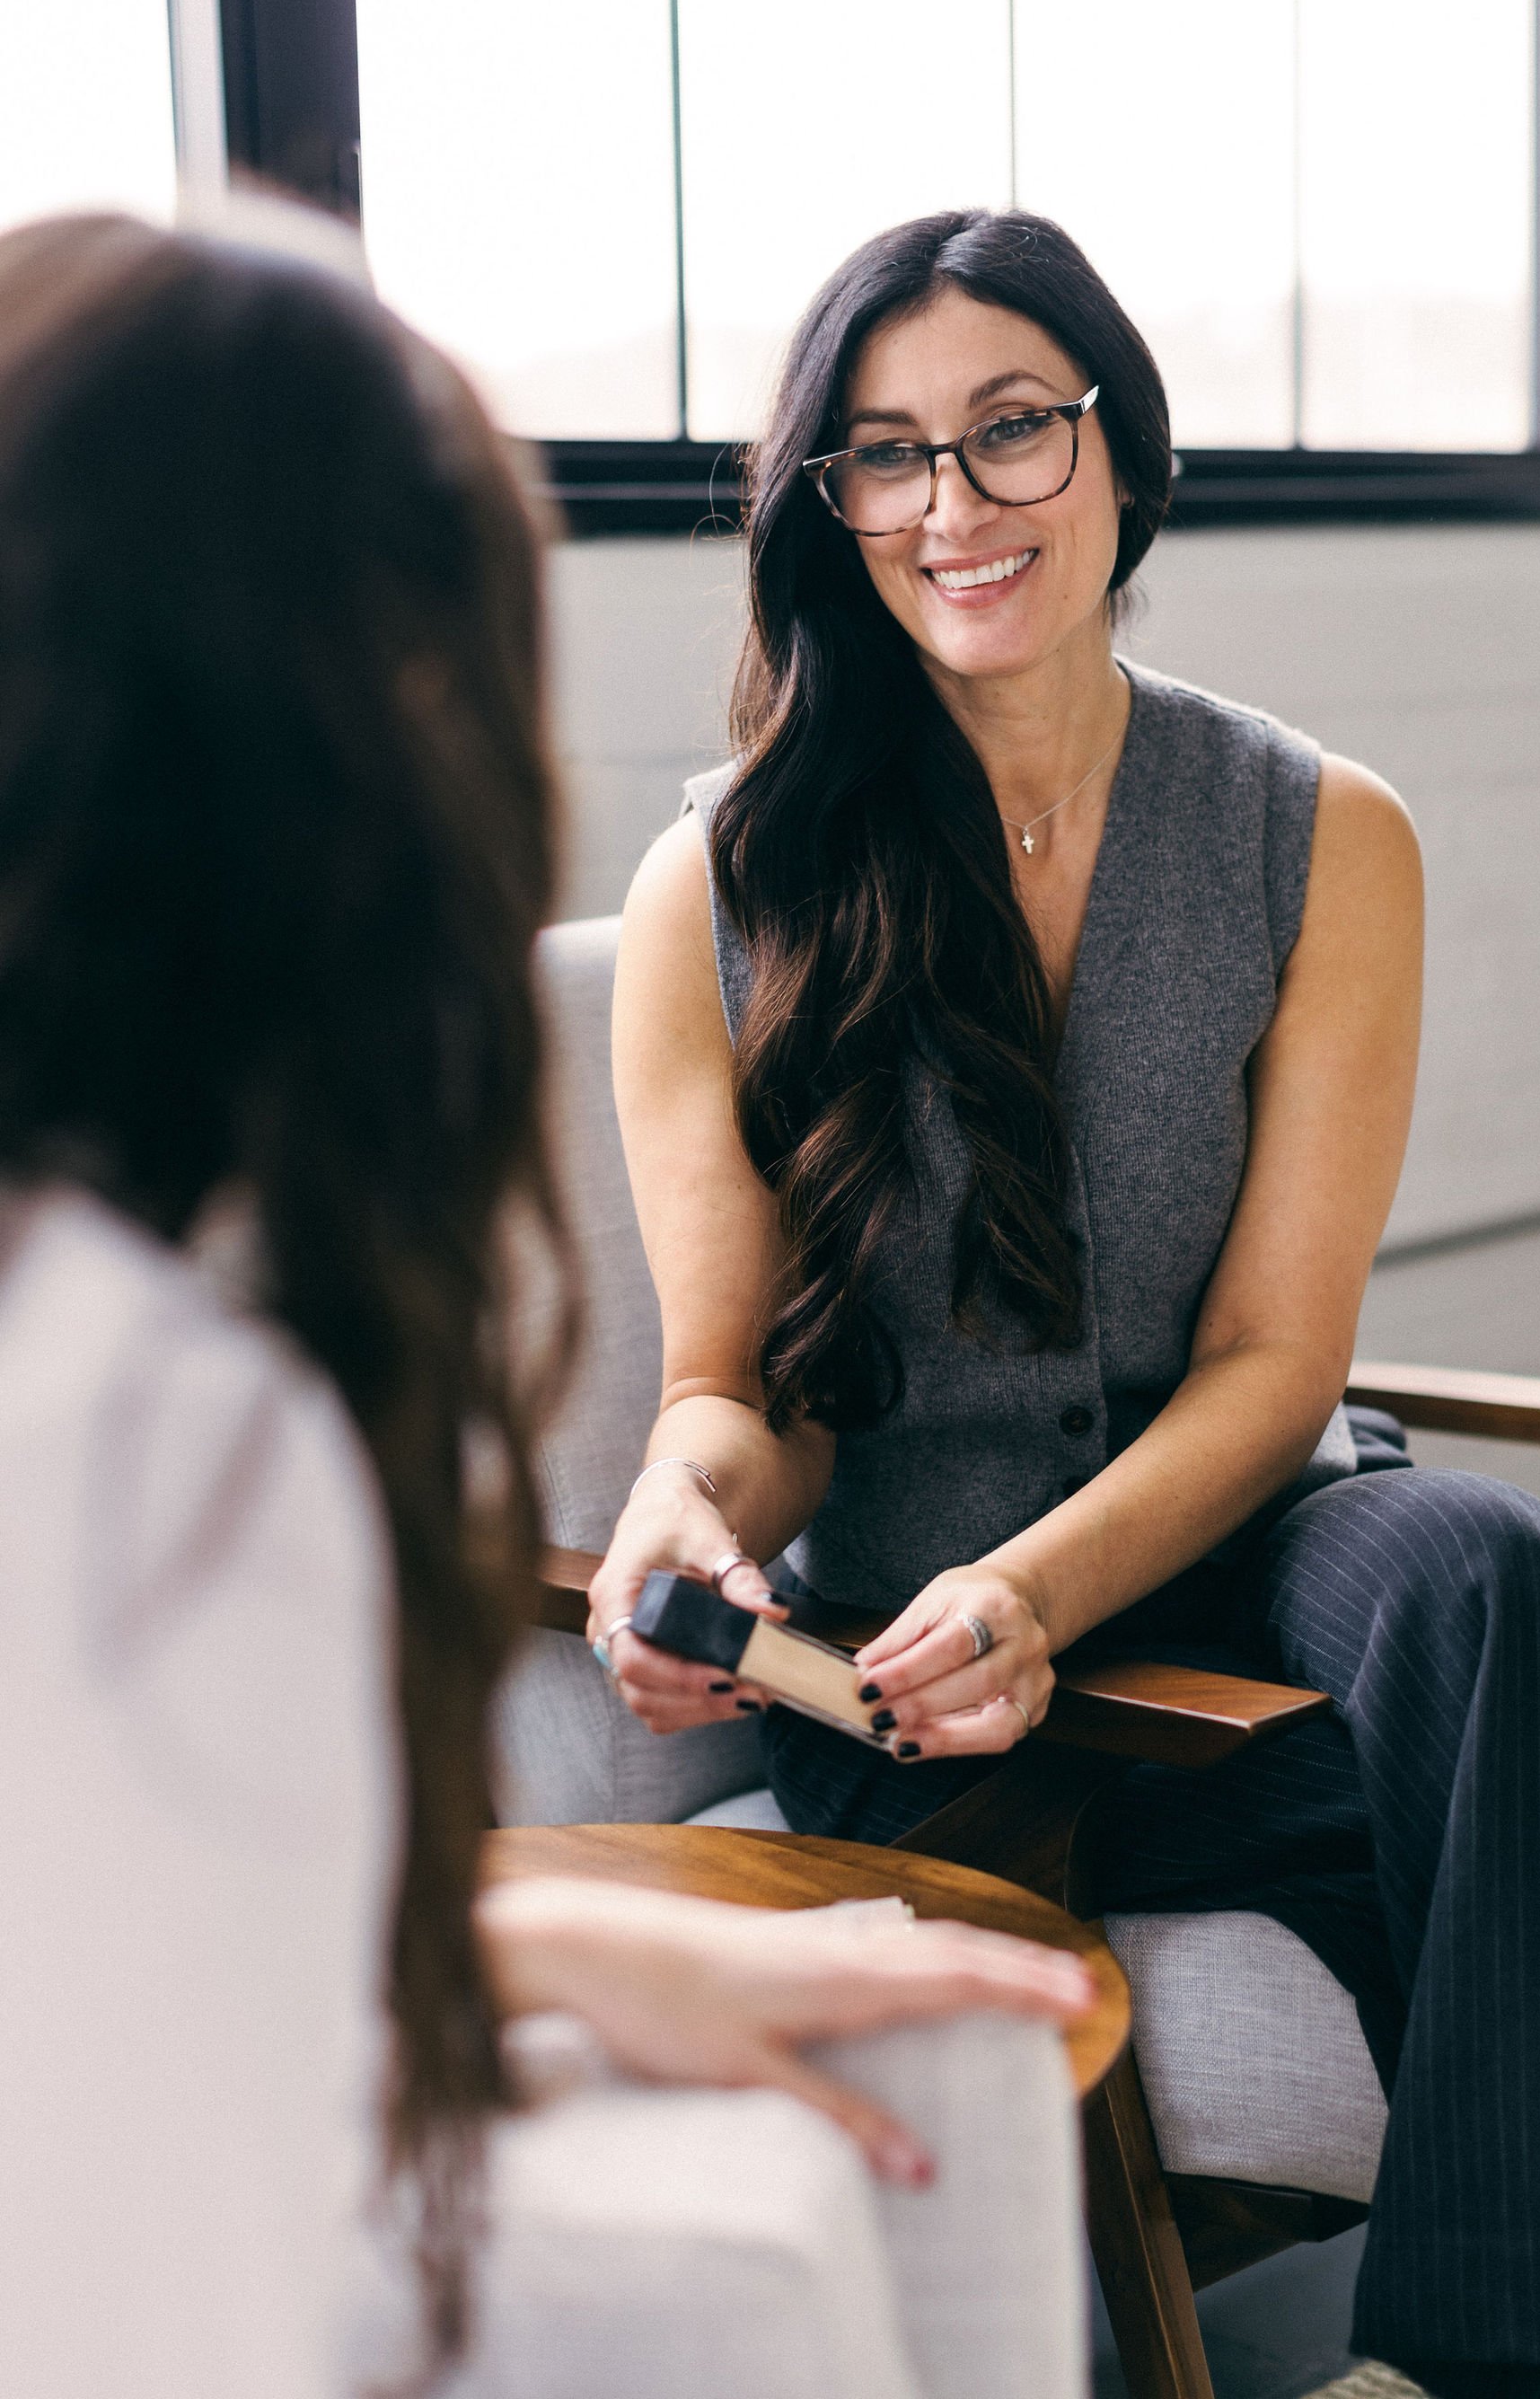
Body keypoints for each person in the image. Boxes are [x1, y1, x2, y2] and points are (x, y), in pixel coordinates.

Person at [594, 207, 1540, 2399]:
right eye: (884, 457)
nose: (953, 506)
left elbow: (1278, 1366)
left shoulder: (1317, 832)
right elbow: (742, 1391)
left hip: (1248, 1558)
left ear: (1121, 452)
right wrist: (681, 1510)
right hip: (921, 1670)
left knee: (1484, 1568)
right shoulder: (723, 885)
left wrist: (1051, 1579)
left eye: (1009, 434)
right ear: (829, 506)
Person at [0, 206, 1096, 2399]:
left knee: (950, 2073)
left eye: (1009, 436)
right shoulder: (151, 1428)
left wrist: (528, 1941)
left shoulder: (135, 1351)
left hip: (1151, 1602)